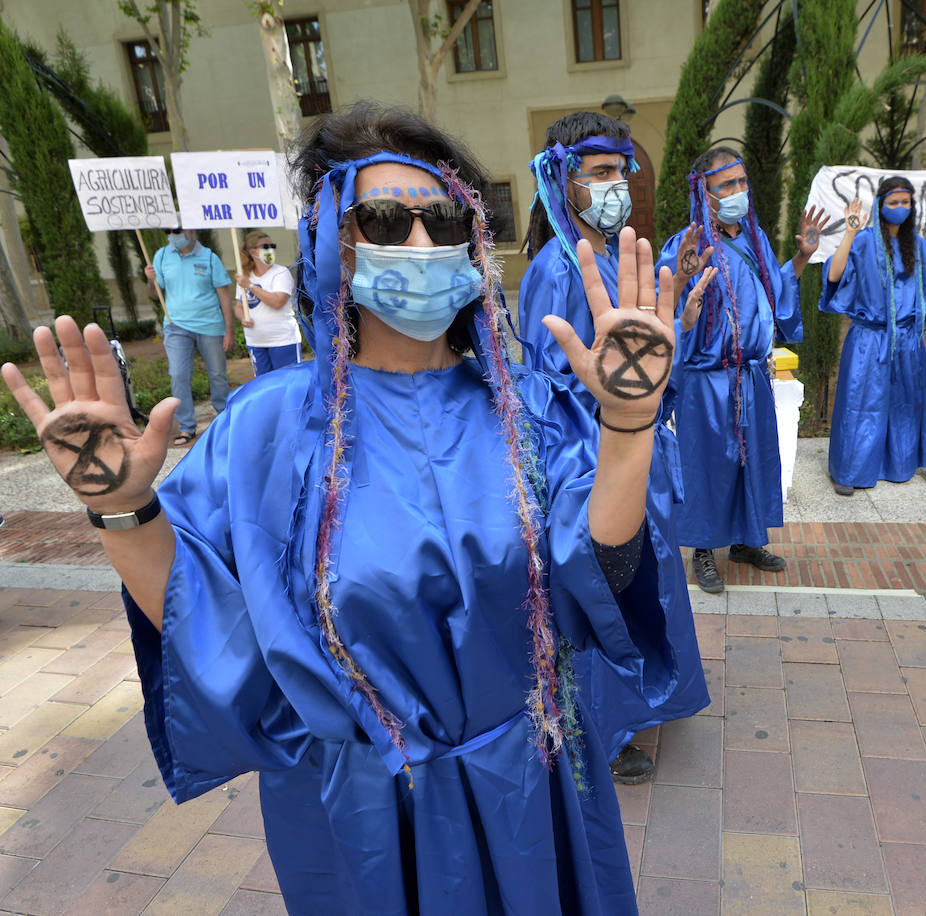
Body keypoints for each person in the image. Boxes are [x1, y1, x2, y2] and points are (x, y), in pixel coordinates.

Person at [4, 102, 683, 914]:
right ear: (334, 240)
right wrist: (121, 507)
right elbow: (201, 614)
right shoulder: (267, 429)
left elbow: (600, 574)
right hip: (361, 816)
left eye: (445, 220)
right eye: (388, 219)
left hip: (530, 790)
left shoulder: (527, 409)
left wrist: (628, 422)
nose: (423, 245)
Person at [519, 112, 710, 785]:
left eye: (620, 172)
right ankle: (600, 726)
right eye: (600, 174)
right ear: (561, 183)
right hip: (583, 452)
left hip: (624, 439)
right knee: (597, 576)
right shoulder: (560, 264)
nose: (616, 186)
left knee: (641, 567)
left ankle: (641, 697)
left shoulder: (605, 256)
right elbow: (548, 381)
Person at [657, 147, 824, 593]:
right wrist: (677, 281)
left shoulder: (756, 239)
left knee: (753, 461)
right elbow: (662, 308)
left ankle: (747, 541)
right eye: (726, 185)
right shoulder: (685, 244)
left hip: (752, 375)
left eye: (741, 182)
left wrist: (803, 258)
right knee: (708, 466)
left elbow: (774, 290)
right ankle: (704, 551)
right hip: (706, 379)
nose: (737, 192)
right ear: (704, 192)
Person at [821, 178, 926, 495]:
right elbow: (834, 275)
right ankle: (849, 470)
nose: (900, 209)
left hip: (908, 340)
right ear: (881, 205)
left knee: (902, 403)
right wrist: (850, 232)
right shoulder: (865, 241)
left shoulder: (918, 245)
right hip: (869, 340)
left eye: (906, 203)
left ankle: (898, 464)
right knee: (860, 404)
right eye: (893, 203)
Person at [143, 225, 234, 447]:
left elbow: (224, 297)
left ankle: (225, 419)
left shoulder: (210, 258)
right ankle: (187, 427)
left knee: (218, 374)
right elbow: (155, 294)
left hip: (210, 325)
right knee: (178, 374)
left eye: (177, 231)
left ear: (191, 231)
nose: (173, 236)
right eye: (169, 232)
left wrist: (229, 331)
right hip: (176, 326)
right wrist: (149, 279)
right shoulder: (162, 256)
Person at [236, 229, 302, 376]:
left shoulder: (281, 272)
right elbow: (239, 306)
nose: (270, 250)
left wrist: (251, 287)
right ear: (253, 252)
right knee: (263, 385)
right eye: (265, 247)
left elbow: (278, 301)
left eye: (272, 246)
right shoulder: (245, 276)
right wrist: (243, 318)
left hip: (282, 340)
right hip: (256, 342)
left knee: (287, 383)